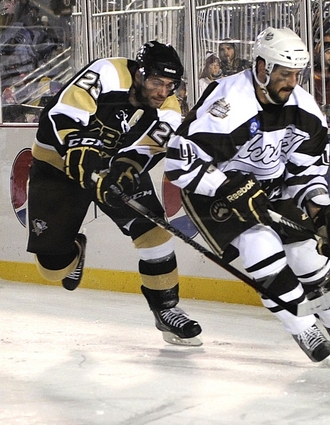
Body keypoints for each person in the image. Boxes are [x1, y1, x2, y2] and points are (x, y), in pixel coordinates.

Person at [165, 27, 330, 365]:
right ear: (261, 68)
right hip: (212, 193)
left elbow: (306, 172)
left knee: (308, 253)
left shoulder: (303, 109)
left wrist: (321, 213)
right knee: (262, 248)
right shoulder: (230, 103)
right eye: (284, 74)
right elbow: (179, 162)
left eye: (296, 74)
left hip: (268, 189)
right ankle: (303, 327)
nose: (291, 81)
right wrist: (227, 187)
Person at [26, 40, 203, 346]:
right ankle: (74, 248)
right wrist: (82, 154)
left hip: (111, 167)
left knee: (153, 231)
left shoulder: (170, 110)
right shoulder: (108, 72)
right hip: (57, 165)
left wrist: (125, 170)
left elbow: (148, 149)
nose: (163, 92)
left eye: (170, 85)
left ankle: (167, 309)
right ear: (139, 73)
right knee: (53, 269)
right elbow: (63, 113)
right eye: (156, 82)